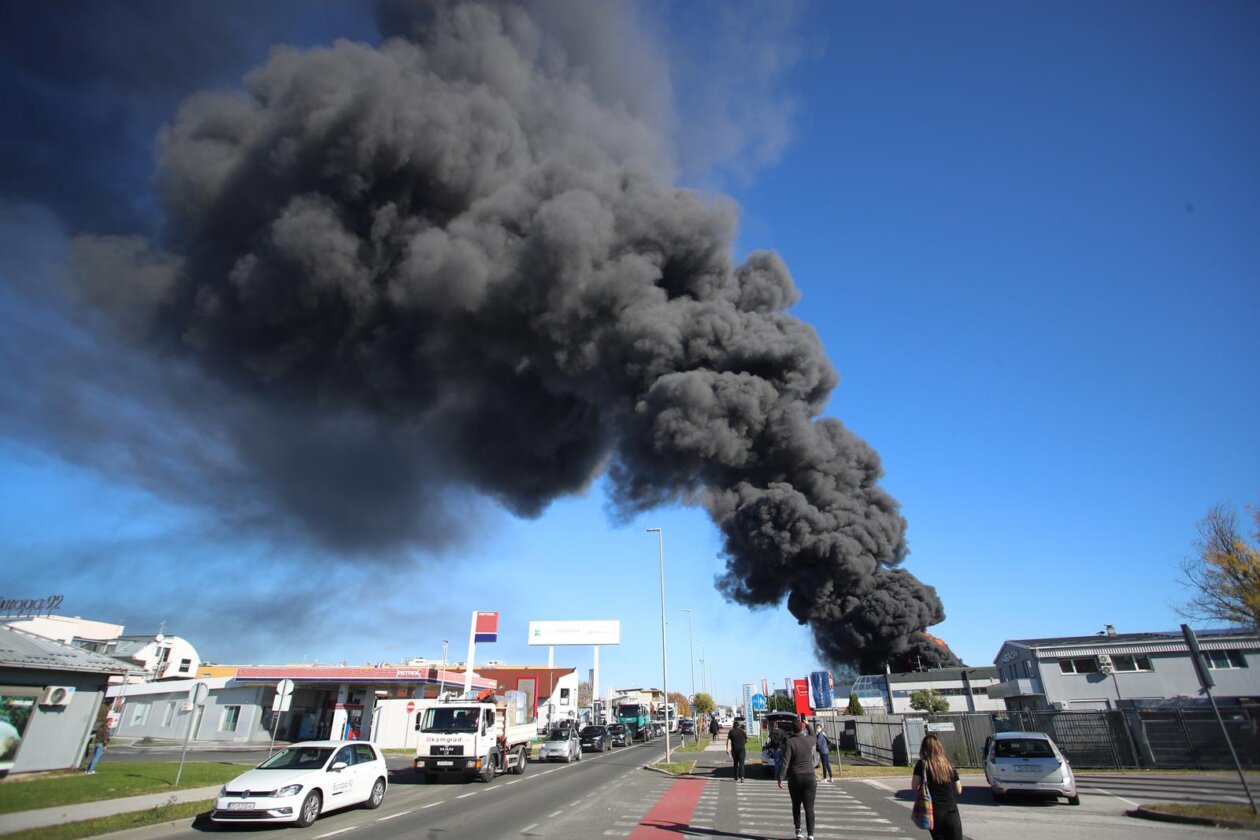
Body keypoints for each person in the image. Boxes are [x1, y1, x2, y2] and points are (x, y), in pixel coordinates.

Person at [912, 734, 963, 840]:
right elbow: (958, 790)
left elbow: (914, 786)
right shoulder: (948, 765)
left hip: (934, 811)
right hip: (951, 810)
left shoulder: (922, 765)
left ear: (924, 749)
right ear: (939, 748)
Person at [776, 717, 817, 840]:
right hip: (810, 777)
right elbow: (814, 735)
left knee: (796, 805)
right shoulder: (809, 740)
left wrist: (781, 778)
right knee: (809, 808)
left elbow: (785, 761)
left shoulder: (790, 742)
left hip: (795, 777)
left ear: (792, 729)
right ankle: (811, 835)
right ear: (802, 727)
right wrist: (808, 725)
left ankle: (798, 830)